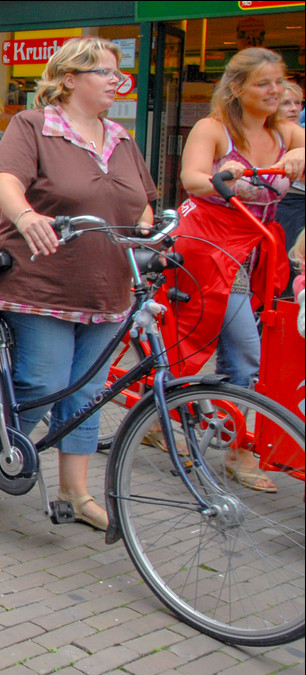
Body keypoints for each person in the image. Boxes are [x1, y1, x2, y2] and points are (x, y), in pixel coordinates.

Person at [0, 37, 158, 529]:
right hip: (45, 280)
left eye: (117, 73)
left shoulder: (122, 139)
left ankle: (76, 492)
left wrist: (147, 225)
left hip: (107, 284)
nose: (115, 81)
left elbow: (143, 200)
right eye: (106, 72)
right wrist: (24, 216)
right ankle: (0, 449)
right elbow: (6, 182)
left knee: (85, 393)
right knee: (44, 379)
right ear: (69, 79)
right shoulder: (33, 126)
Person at [165, 47, 303, 492]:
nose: (275, 91)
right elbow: (192, 178)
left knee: (245, 351)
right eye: (264, 83)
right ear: (238, 88)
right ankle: (231, 448)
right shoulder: (213, 128)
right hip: (208, 247)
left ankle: (178, 421)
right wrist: (222, 178)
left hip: (259, 251)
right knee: (237, 350)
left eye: (279, 82)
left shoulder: (286, 131)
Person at [273, 82, 304, 257]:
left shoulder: (301, 133)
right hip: (285, 206)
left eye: (298, 102)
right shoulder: (266, 136)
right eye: (286, 103)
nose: (294, 108)